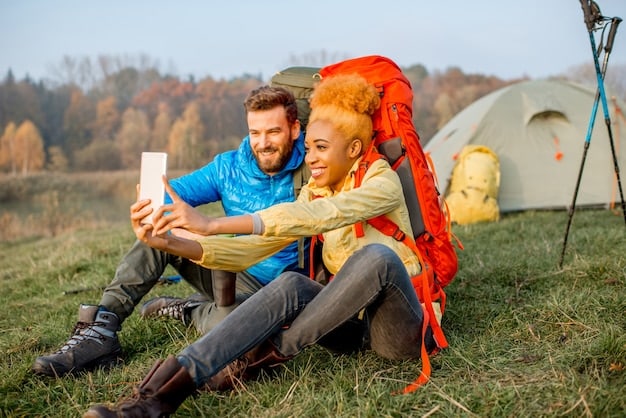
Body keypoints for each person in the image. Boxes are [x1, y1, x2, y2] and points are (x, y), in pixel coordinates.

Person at [83, 73, 437, 418]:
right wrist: (172, 243)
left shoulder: (381, 180)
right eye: (309, 148)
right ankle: (153, 399)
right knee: (292, 285)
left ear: (354, 148)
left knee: (376, 257)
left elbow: (324, 215)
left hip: (397, 332)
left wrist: (213, 223)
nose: (310, 158)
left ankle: (264, 356)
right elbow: (251, 248)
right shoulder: (313, 189)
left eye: (321, 148)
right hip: (349, 327)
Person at [32, 85, 309, 378]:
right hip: (227, 270)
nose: (263, 143)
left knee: (233, 333)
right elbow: (165, 196)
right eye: (255, 132)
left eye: (273, 132)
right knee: (158, 230)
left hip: (279, 291)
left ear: (294, 129)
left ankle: (188, 310)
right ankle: (101, 328)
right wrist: (161, 219)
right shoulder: (228, 167)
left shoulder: (313, 165)